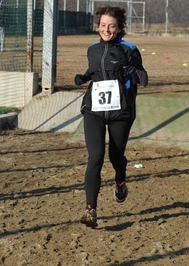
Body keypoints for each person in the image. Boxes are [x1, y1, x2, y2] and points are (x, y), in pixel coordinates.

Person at [74, 6, 148, 228]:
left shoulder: (130, 49)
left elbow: (143, 80)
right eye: (103, 25)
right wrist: (84, 77)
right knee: (95, 156)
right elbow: (96, 71)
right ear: (98, 26)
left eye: (111, 26)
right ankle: (90, 210)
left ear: (119, 28)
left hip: (121, 112)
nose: (106, 29)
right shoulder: (93, 49)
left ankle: (120, 181)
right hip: (94, 110)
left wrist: (128, 66)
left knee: (116, 157)